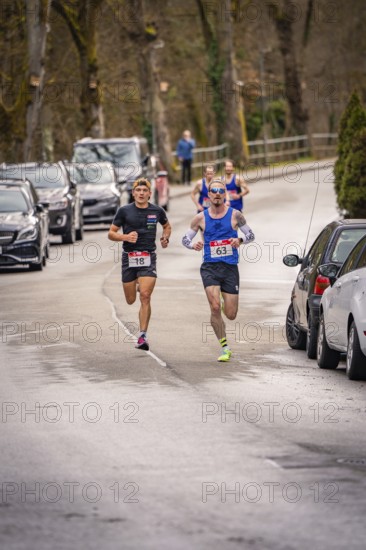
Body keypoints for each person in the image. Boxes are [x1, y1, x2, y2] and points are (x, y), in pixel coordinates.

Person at [182, 179, 255, 362]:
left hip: (230, 268)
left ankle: (224, 301)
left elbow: (251, 235)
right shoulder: (199, 218)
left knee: (230, 314)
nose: (216, 193)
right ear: (208, 194)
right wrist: (193, 245)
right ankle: (225, 347)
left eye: (220, 191)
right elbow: (185, 239)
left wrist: (239, 241)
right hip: (210, 267)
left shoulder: (235, 215)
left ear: (225, 194)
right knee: (214, 307)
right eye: (213, 190)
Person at [108, 178, 171, 351]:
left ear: (150, 193)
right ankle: (137, 281)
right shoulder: (124, 211)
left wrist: (165, 237)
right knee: (130, 300)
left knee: (145, 295)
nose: (141, 193)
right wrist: (125, 237)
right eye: (138, 190)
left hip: (148, 257)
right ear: (133, 193)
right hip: (129, 258)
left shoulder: (157, 211)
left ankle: (142, 335)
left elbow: (167, 226)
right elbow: (111, 233)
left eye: (145, 190)